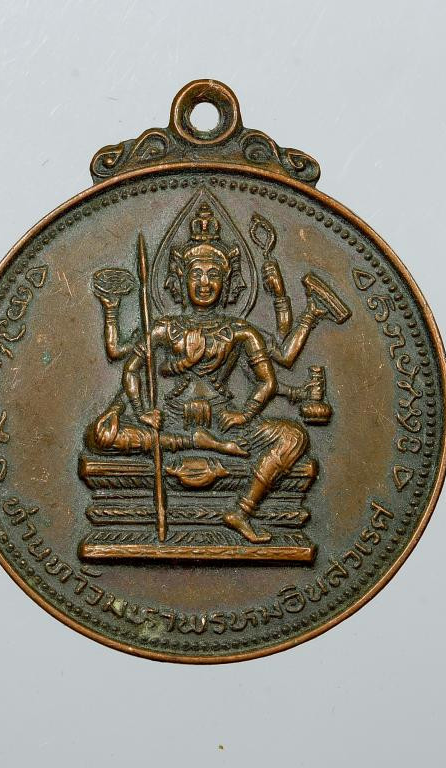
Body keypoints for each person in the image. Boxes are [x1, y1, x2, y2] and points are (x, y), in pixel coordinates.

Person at [89, 204, 324, 543]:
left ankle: (241, 511)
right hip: (172, 419)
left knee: (294, 437)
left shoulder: (240, 331)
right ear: (180, 279)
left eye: (213, 275)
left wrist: (245, 414)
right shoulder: (165, 327)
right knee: (102, 436)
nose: (204, 283)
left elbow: (268, 381)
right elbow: (130, 368)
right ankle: (190, 443)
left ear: (226, 283)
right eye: (196, 274)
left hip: (223, 419)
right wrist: (142, 413)